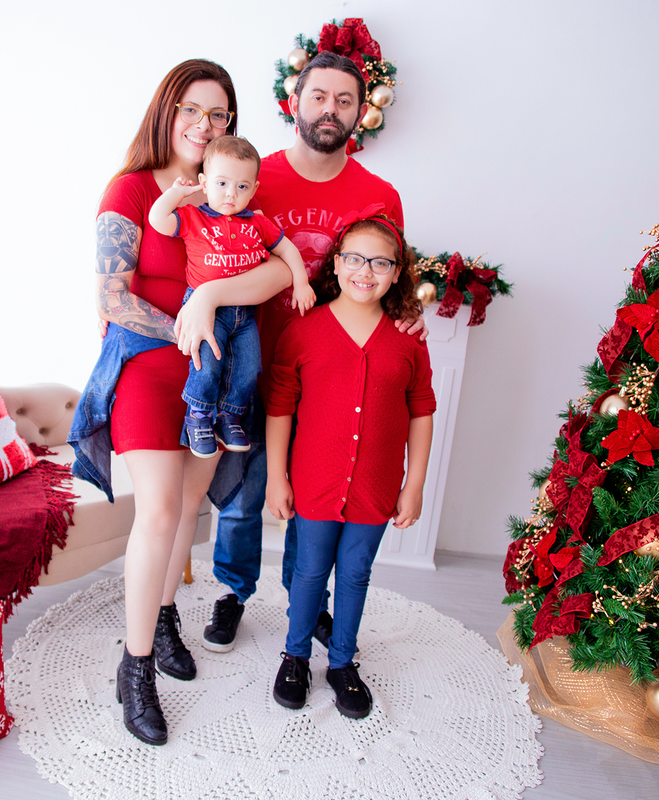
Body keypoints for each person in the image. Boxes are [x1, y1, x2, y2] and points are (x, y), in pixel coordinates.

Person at [68, 59, 293, 747]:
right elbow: (111, 298)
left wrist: (213, 298)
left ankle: (163, 616)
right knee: (162, 508)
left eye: (218, 113)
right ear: (166, 111)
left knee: (191, 506)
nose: (204, 123)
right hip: (145, 363)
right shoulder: (133, 189)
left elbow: (276, 271)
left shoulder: (229, 191)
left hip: (212, 373)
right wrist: (186, 324)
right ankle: (135, 668)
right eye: (191, 108)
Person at [185, 51, 411, 654]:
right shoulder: (250, 174)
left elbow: (386, 278)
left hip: (330, 383)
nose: (330, 109)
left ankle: (303, 602)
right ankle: (232, 592)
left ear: (361, 113)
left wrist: (404, 322)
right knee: (241, 497)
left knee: (309, 506)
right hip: (249, 366)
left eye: (344, 100)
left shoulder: (379, 194)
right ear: (295, 102)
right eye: (319, 96)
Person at [265, 213, 435, 718]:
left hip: (375, 487)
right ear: (337, 264)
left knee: (356, 574)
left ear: (397, 273)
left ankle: (342, 663)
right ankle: (295, 657)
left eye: (380, 263)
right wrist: (276, 477)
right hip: (314, 482)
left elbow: (422, 413)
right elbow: (280, 409)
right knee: (309, 572)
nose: (366, 271)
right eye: (355, 259)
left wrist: (414, 485)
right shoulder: (303, 332)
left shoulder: (408, 341)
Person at [148, 135, 312, 458]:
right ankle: (198, 416)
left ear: (253, 189)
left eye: (241, 186)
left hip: (245, 312)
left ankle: (229, 416)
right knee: (207, 364)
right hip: (206, 311)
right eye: (221, 183)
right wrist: (176, 194)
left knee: (248, 367)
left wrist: (302, 283)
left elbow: (288, 250)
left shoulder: (257, 223)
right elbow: (158, 220)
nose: (231, 193)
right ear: (204, 183)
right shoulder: (194, 218)